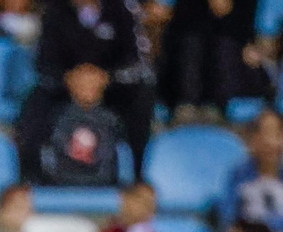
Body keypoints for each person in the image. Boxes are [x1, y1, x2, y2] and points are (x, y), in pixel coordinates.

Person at [15, 0, 155, 180]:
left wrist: (105, 78)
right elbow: (44, 64)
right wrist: (70, 79)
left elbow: (136, 62)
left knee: (141, 99)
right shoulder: (53, 12)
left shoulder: (123, 10)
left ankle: (138, 178)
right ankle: (31, 178)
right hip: (65, 88)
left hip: (112, 88)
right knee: (34, 104)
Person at [158, 0, 271, 118]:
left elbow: (265, 37)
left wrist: (256, 44)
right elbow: (160, 12)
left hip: (232, 94)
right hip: (180, 94)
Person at [37, 62, 125, 187]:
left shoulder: (111, 119)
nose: (87, 87)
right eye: (82, 83)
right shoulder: (56, 117)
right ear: (69, 83)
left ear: (104, 83)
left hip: (102, 185)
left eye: (92, 83)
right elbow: (52, 150)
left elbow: (111, 154)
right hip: (61, 185)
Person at [219, 109, 283, 232]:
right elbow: (228, 216)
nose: (269, 141)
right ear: (252, 140)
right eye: (263, 133)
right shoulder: (239, 177)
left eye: (276, 134)